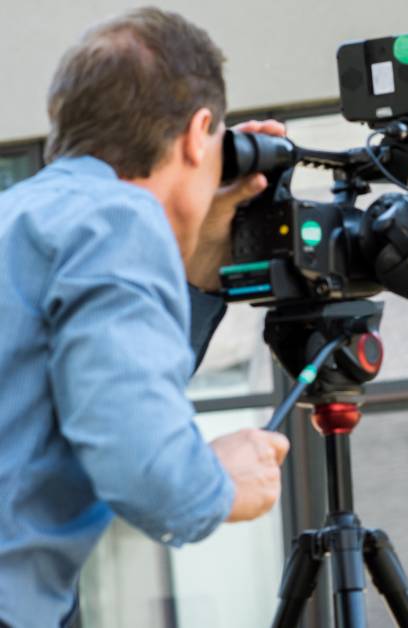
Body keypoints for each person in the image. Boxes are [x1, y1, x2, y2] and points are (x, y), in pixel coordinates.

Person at [0, 8, 289, 627]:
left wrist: (204, 245)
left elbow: (103, 374)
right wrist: (219, 481)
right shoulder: (120, 219)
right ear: (198, 132)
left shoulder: (21, 217)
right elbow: (143, 465)